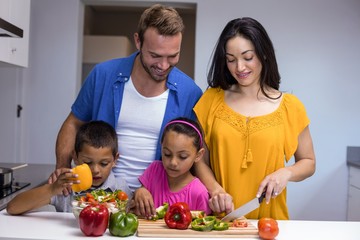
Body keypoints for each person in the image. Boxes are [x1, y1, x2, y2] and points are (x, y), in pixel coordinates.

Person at [50, 4, 203, 196]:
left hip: (156, 202)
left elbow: (197, 153)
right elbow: (73, 123)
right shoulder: (103, 75)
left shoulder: (191, 92)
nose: (164, 65)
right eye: (155, 55)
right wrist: (62, 168)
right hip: (100, 196)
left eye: (172, 56)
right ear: (138, 41)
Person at [194, 17, 316, 220]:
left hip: (270, 222)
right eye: (231, 59)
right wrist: (215, 190)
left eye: (247, 57)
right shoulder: (210, 100)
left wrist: (286, 173)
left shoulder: (290, 107)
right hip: (220, 220)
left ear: (264, 54)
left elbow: (309, 162)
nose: (239, 67)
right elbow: (199, 160)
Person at [7, 121, 131, 215]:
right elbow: (13, 207)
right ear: (75, 157)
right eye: (88, 162)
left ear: (115, 160)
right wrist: (51, 189)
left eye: (104, 163)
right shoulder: (66, 186)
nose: (95, 170)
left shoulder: (121, 188)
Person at [133, 118, 212, 218]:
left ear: (198, 155)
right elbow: (141, 195)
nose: (173, 162)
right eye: (167, 154)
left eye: (182, 156)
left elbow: (202, 227)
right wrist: (139, 192)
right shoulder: (155, 169)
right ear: (161, 147)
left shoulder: (199, 192)